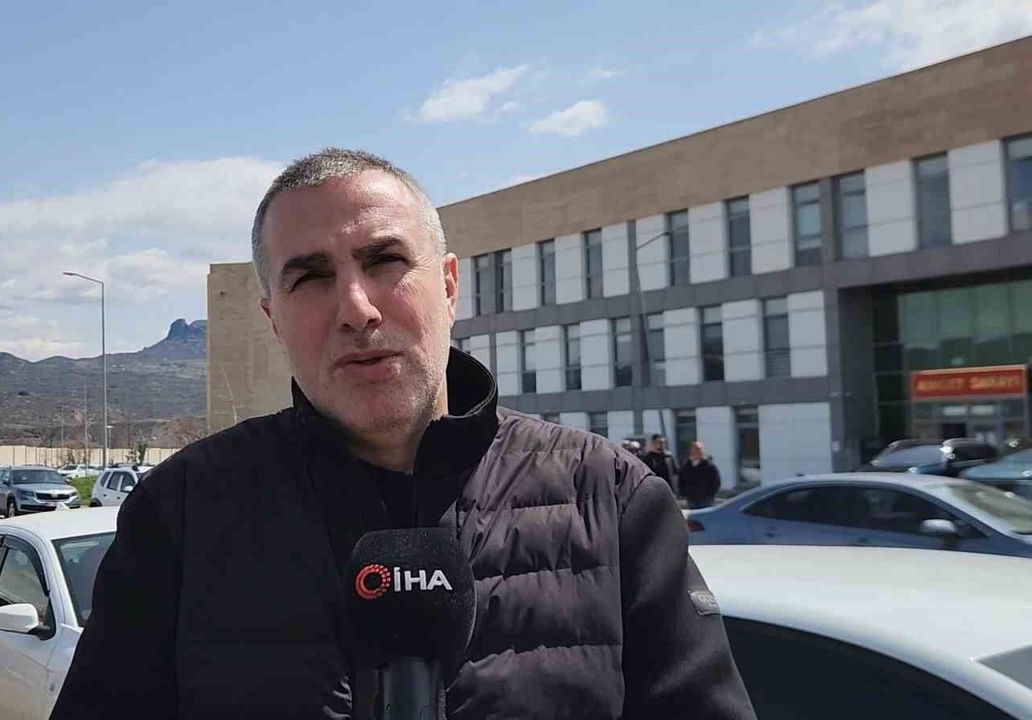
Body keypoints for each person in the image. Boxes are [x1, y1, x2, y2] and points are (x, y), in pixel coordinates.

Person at [51, 149, 755, 719]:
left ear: (448, 285)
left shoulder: (612, 497)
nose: (356, 308)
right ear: (273, 319)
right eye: (310, 278)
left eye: (385, 261)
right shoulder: (180, 512)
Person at [678, 441, 722, 510]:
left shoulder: (709, 466)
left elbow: (716, 481)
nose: (699, 451)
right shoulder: (686, 466)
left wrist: (709, 493)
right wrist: (684, 493)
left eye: (701, 449)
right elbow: (681, 481)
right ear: (691, 451)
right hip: (691, 500)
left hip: (706, 500)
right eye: (696, 449)